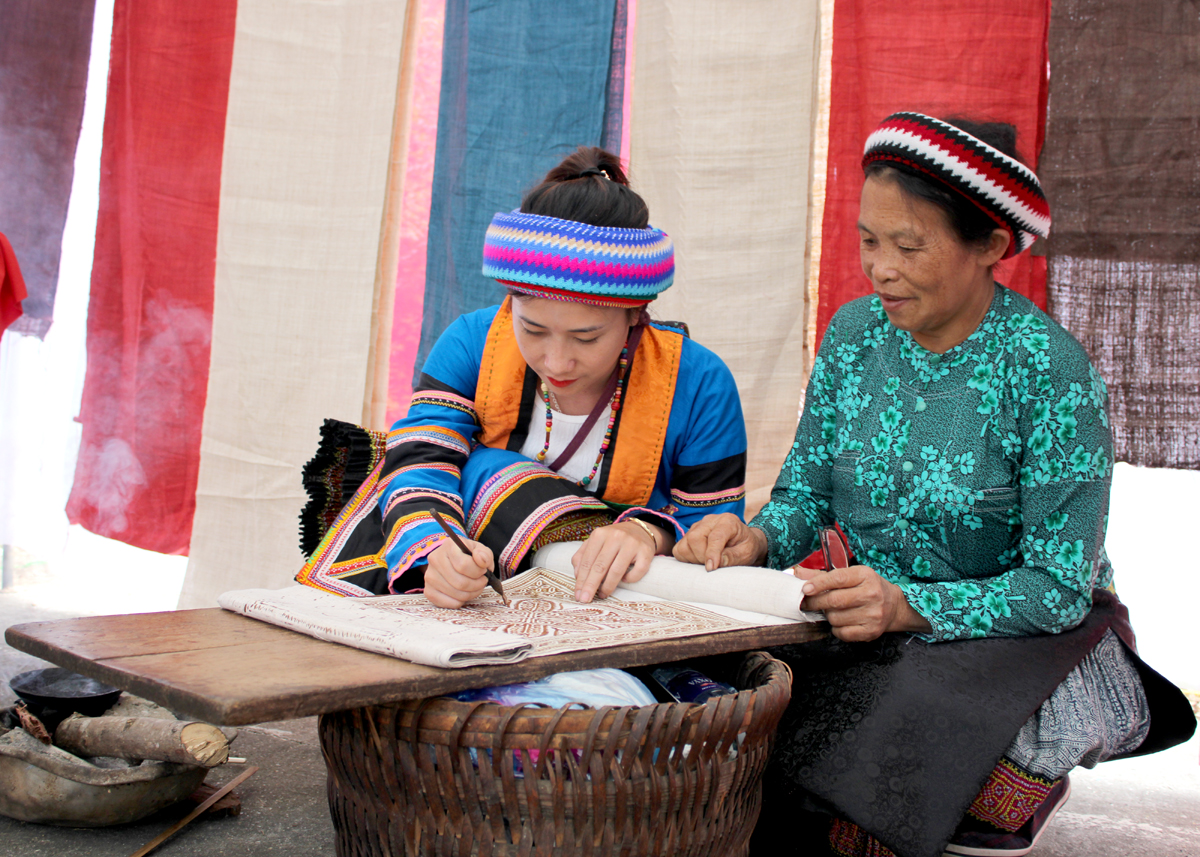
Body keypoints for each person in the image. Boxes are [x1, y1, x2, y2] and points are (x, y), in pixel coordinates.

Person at [675, 113, 1195, 857]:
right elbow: (806, 497)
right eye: (868, 240)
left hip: (1022, 628)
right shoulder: (854, 337)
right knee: (752, 687)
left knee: (907, 714)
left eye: (908, 246)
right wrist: (755, 536)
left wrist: (907, 605)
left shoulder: (1049, 373)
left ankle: (1052, 734)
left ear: (990, 247)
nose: (879, 267)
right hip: (875, 614)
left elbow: (1055, 587)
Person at [297, 146, 747, 607]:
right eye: (532, 329)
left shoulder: (699, 383)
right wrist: (437, 552)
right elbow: (422, 458)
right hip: (476, 591)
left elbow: (713, 529)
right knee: (472, 469)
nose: (555, 362)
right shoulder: (472, 341)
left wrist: (646, 532)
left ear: (636, 314)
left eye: (586, 338)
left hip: (612, 596)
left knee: (493, 471)